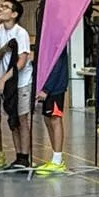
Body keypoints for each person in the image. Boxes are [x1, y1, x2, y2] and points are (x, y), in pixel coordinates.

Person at [0, 0, 33, 170]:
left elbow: (21, 62)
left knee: (22, 118)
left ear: (14, 14)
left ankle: (24, 156)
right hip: (6, 83)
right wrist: (5, 49)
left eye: (5, 7)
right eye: (1, 6)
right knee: (12, 118)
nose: (1, 9)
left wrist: (3, 79)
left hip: (21, 81)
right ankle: (18, 156)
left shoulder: (21, 32)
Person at [36, 40, 70, 175]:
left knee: (55, 119)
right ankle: (54, 157)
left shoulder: (58, 40)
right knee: (47, 119)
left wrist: (47, 88)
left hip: (55, 88)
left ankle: (58, 160)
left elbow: (56, 65)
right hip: (47, 85)